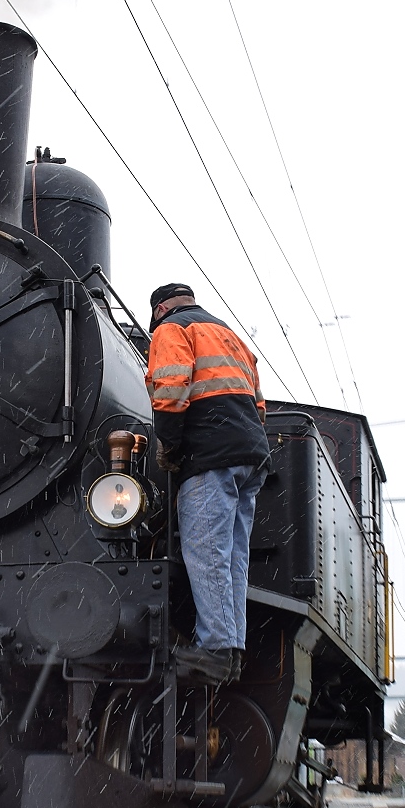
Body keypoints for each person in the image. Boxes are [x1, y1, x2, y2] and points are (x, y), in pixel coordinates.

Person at [145, 283, 271, 685]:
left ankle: (214, 649)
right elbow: (261, 405)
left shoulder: (172, 330)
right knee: (233, 556)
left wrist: (170, 446)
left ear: (160, 308)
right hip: (251, 453)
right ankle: (231, 650)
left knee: (206, 549)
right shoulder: (229, 335)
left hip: (211, 454)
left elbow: (170, 391)